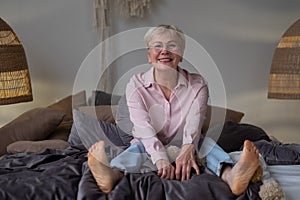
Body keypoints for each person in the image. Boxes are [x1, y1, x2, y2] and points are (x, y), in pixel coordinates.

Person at [87, 24, 260, 196]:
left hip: (185, 141)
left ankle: (231, 176)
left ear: (181, 55)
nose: (164, 51)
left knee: (206, 144)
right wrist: (160, 157)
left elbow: (194, 123)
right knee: (136, 148)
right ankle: (112, 174)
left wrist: (187, 149)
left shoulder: (198, 84)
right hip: (148, 144)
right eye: (157, 46)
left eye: (172, 45)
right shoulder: (135, 84)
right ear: (149, 56)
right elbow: (143, 127)